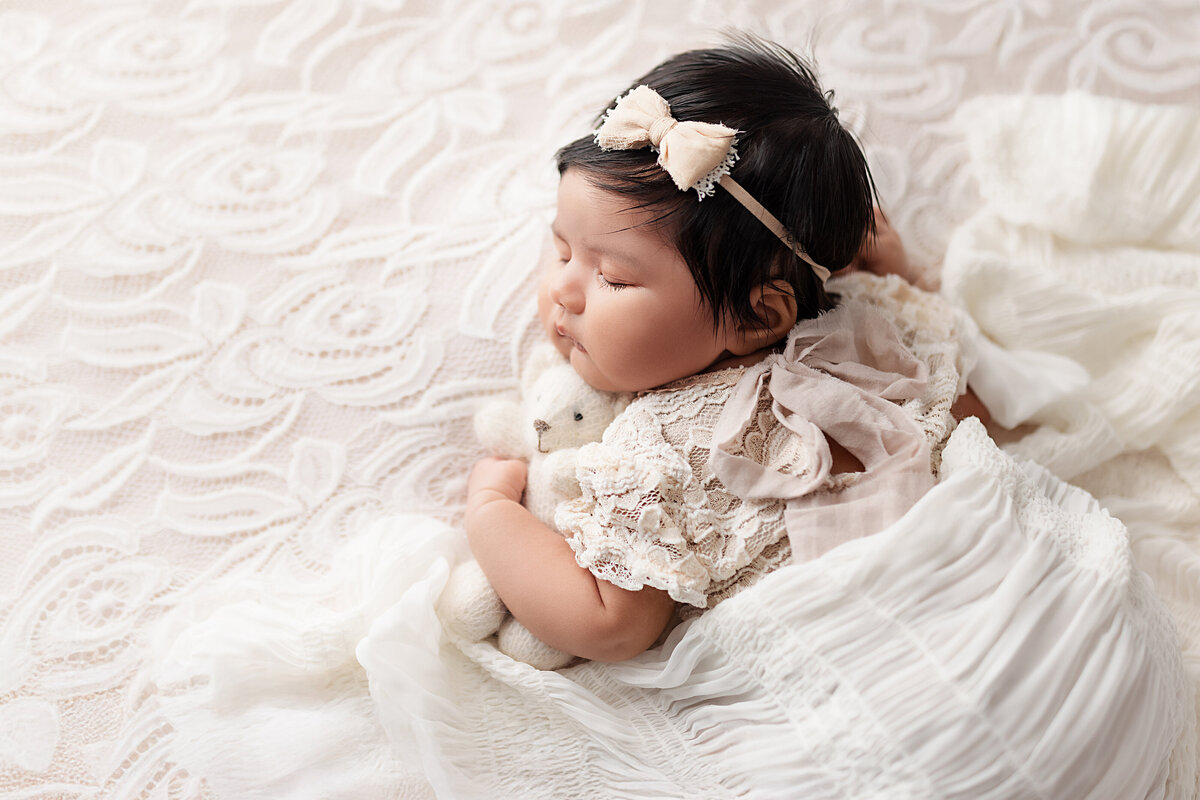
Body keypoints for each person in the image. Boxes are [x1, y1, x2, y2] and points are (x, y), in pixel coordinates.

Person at [464, 34, 972, 664]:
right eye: (563, 249)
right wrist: (896, 273)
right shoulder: (877, 323)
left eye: (614, 278)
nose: (563, 291)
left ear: (760, 315)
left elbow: (608, 623)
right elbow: (966, 403)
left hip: (863, 650)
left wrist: (490, 512)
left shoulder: (664, 446)